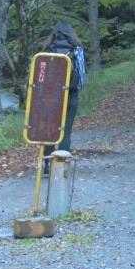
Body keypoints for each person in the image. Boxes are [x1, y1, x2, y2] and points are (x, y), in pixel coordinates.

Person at [44, 22, 87, 166]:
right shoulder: (77, 50)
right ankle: (61, 165)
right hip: (70, 95)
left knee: (49, 129)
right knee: (66, 130)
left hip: (49, 97)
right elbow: (81, 77)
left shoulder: (46, 49)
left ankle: (47, 165)